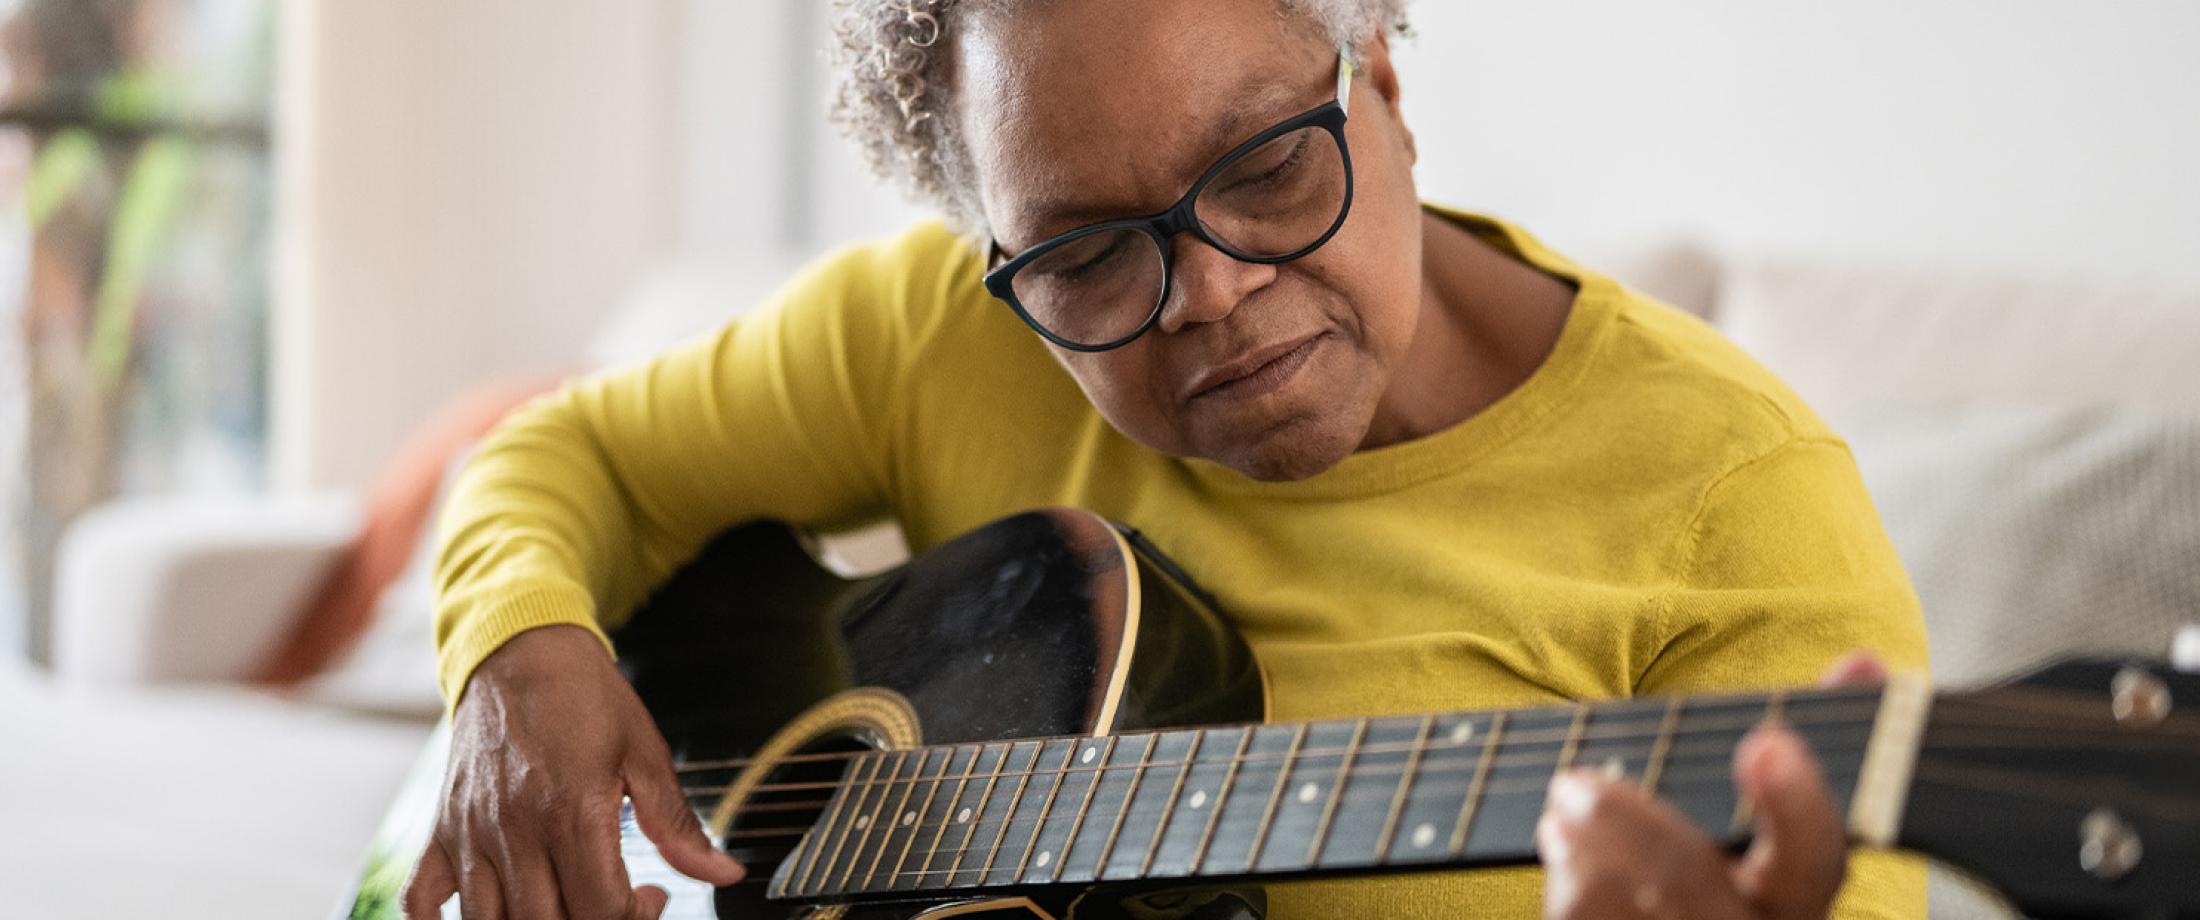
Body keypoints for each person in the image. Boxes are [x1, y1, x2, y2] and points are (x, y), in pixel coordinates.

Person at [402, 0, 1928, 917]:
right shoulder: (946, 328)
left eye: (1266, 168)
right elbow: (570, 455)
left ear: (1380, 83)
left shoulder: (1739, 504)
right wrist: (518, 659)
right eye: (1080, 258)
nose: (1210, 292)